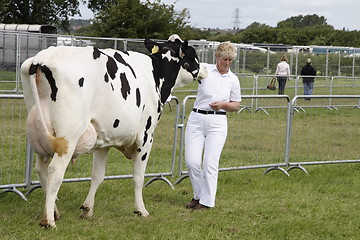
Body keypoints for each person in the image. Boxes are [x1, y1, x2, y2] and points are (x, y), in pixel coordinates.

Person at [184, 41, 241, 210]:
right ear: (217, 57)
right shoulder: (205, 70)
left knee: (210, 163)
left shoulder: (233, 79)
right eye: (224, 59)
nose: (227, 63)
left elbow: (236, 104)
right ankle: (198, 195)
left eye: (230, 60)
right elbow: (188, 72)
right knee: (192, 161)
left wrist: (223, 105)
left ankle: (207, 202)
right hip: (196, 119)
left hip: (217, 122)